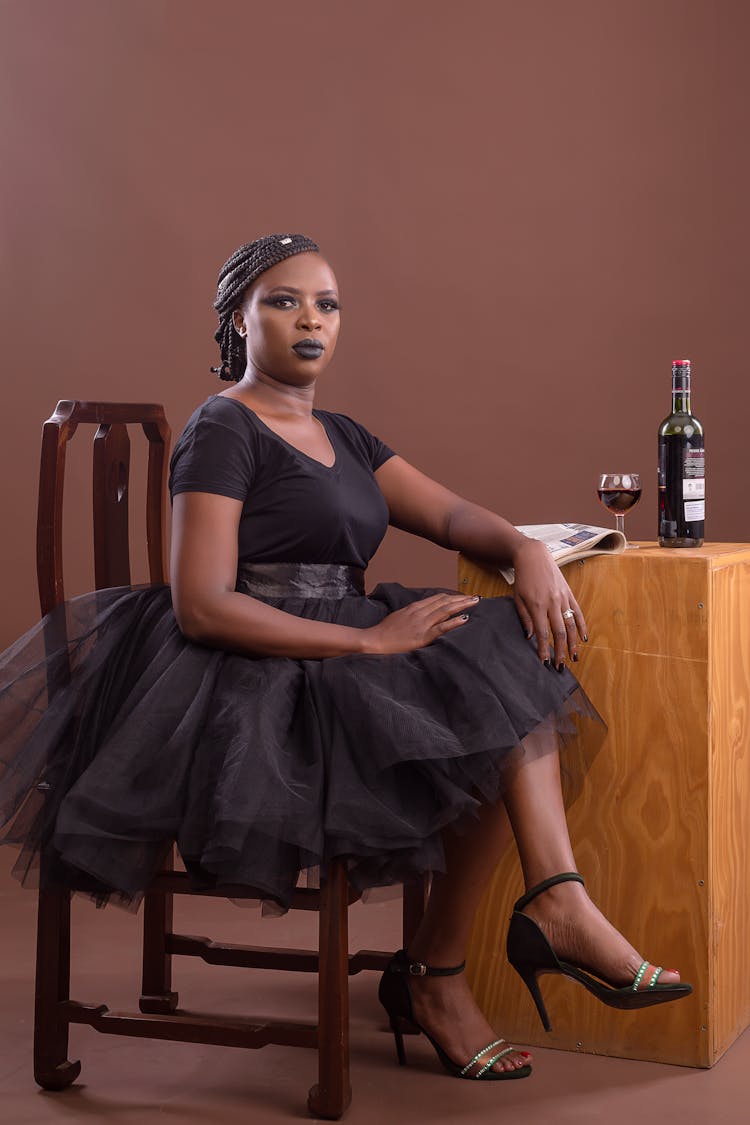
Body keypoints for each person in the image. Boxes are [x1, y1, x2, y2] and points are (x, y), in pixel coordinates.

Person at [0, 233, 691, 1084]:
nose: (310, 319)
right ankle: (459, 964)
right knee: (478, 695)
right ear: (238, 320)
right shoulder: (225, 426)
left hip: (342, 646)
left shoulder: (343, 434)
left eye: (326, 303)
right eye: (283, 301)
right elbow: (205, 603)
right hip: (252, 670)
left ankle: (540, 909)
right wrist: (368, 639)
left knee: (501, 659)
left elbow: (451, 514)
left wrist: (525, 548)